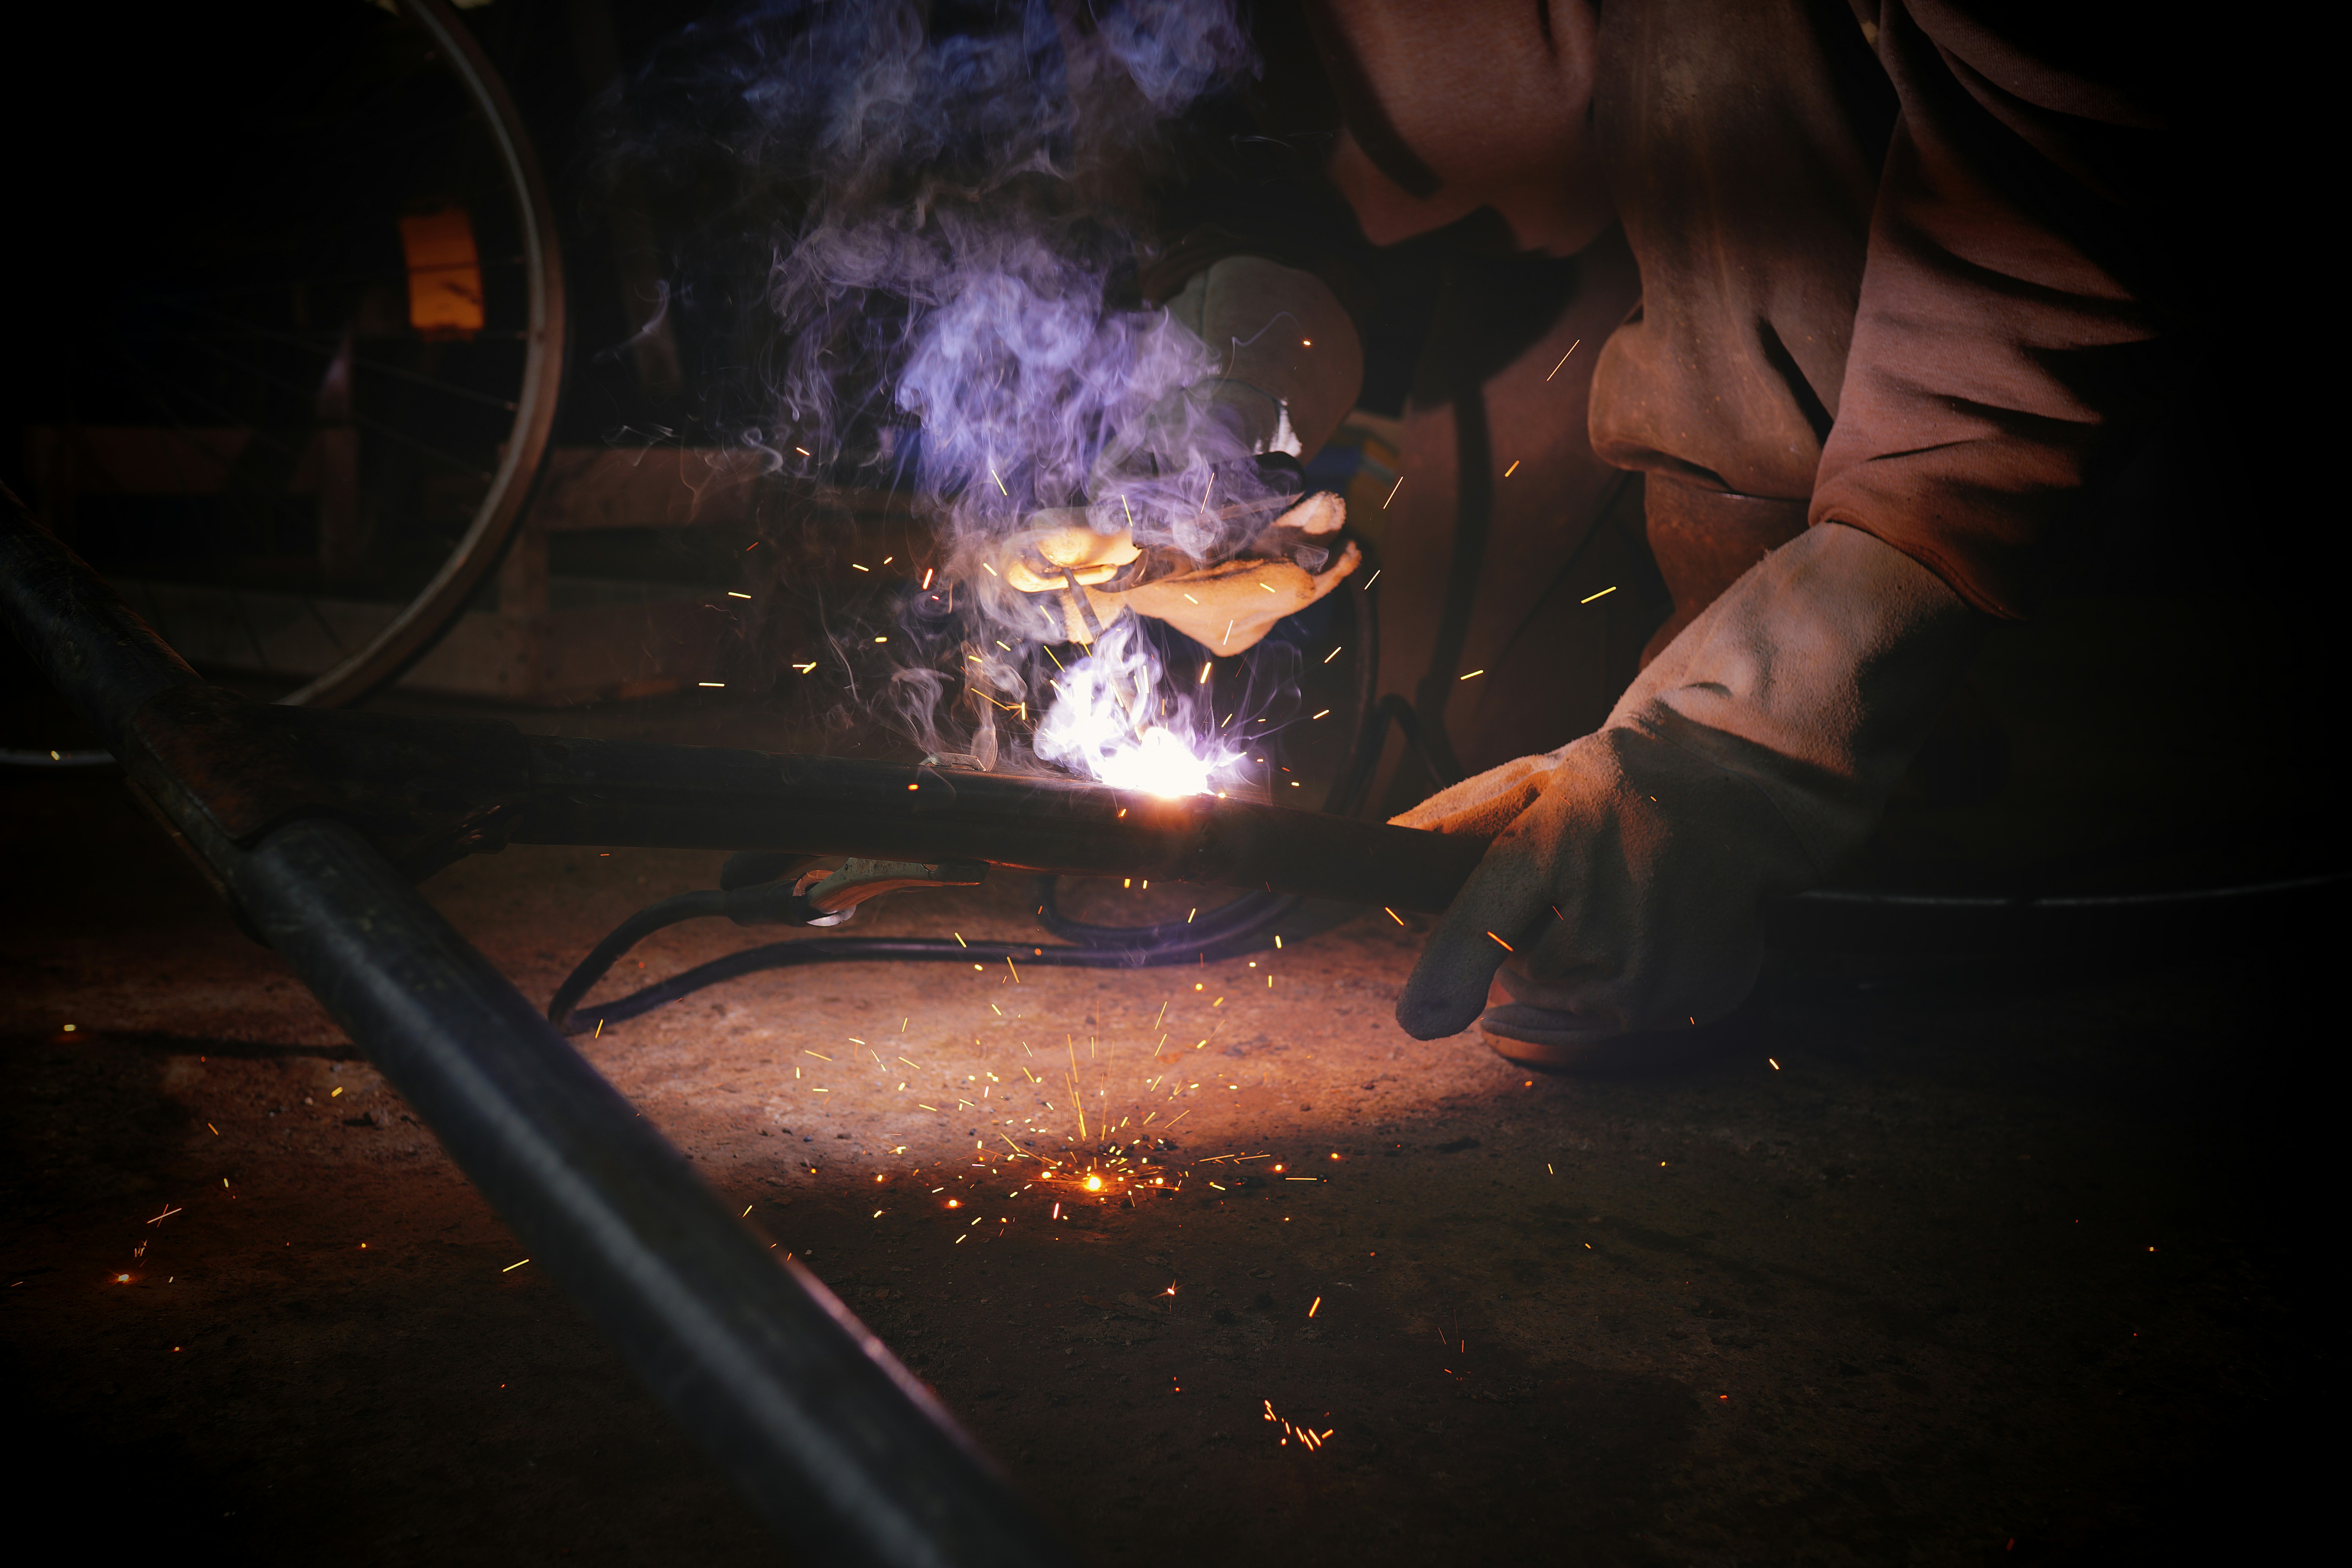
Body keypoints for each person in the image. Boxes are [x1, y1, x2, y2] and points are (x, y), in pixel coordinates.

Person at [1016, 0, 2178, 1067]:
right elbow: (1232, 164)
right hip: (1518, 269)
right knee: (1485, 770)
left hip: (1857, 282)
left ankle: (1841, 685)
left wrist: (1754, 743)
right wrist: (1212, 432)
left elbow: (2052, 225)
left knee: (1678, 863)